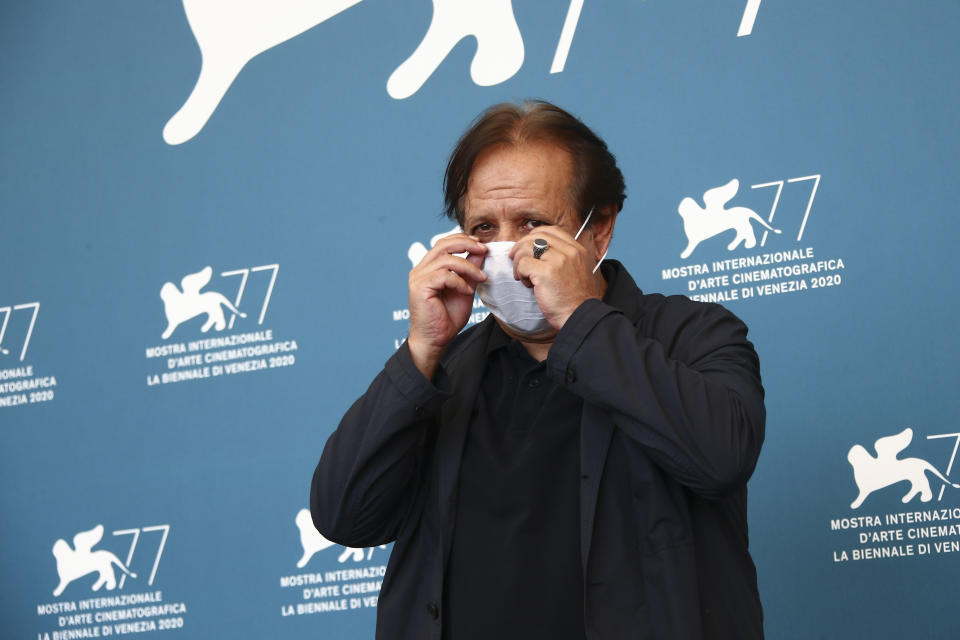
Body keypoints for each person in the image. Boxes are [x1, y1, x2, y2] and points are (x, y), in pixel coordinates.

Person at [311, 100, 765, 640]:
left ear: (599, 230)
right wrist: (420, 351)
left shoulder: (694, 336)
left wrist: (578, 319)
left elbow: (720, 458)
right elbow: (344, 517)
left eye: (532, 224)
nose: (508, 251)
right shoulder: (440, 370)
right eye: (485, 227)